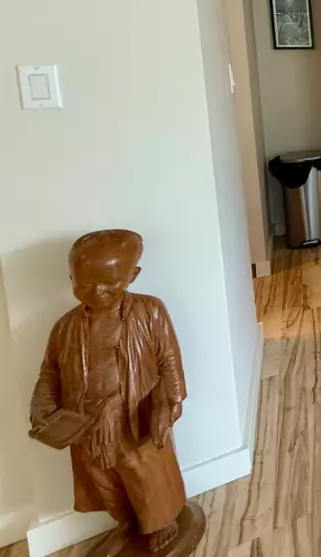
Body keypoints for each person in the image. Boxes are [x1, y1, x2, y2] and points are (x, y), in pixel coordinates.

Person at [30, 230, 189, 554]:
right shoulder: (65, 327)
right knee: (104, 478)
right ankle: (126, 521)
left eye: (109, 282)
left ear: (133, 275)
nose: (97, 291)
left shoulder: (149, 311)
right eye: (85, 283)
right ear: (71, 278)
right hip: (85, 424)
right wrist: (42, 410)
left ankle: (161, 521)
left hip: (135, 414)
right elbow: (50, 373)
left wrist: (171, 401)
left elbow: (168, 359)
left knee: (142, 470)